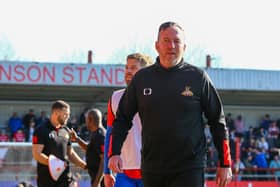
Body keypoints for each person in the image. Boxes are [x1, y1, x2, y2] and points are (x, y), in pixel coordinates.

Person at [108, 21, 232, 187]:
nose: (171, 46)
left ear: (184, 47)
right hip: (153, 167)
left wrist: (225, 163)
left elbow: (217, 121)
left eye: (177, 41)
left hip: (189, 168)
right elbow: (122, 118)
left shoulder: (198, 77)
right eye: (166, 40)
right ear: (157, 45)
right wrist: (114, 152)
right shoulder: (142, 78)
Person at [104, 53, 153, 187]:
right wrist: (106, 172)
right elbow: (110, 134)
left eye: (133, 67)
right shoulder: (115, 97)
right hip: (124, 170)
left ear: (144, 72)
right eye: (126, 67)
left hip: (152, 170)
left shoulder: (156, 96)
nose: (128, 71)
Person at [32, 100, 87, 187]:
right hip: (46, 178)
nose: (67, 117)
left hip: (65, 177)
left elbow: (70, 153)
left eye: (68, 115)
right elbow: (37, 154)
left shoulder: (66, 130)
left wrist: (84, 166)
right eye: (65, 114)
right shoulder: (41, 130)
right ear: (56, 113)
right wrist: (55, 164)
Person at [71, 108, 106, 187]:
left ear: (90, 120)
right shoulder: (95, 133)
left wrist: (97, 182)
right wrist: (77, 139)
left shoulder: (100, 136)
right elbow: (90, 149)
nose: (85, 122)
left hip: (101, 180)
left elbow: (104, 160)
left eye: (86, 120)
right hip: (96, 177)